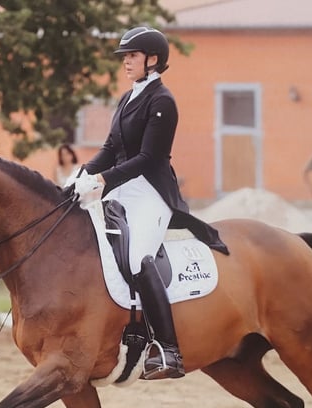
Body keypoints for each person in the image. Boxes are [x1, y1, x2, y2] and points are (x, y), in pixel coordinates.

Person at [71, 26, 227, 379]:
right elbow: (110, 150)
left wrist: (100, 180)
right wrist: (78, 176)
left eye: (132, 56)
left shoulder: (162, 101)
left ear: (152, 60)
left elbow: (148, 157)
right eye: (124, 57)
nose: (126, 62)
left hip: (151, 192)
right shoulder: (127, 99)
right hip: (121, 187)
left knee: (138, 256)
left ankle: (169, 350)